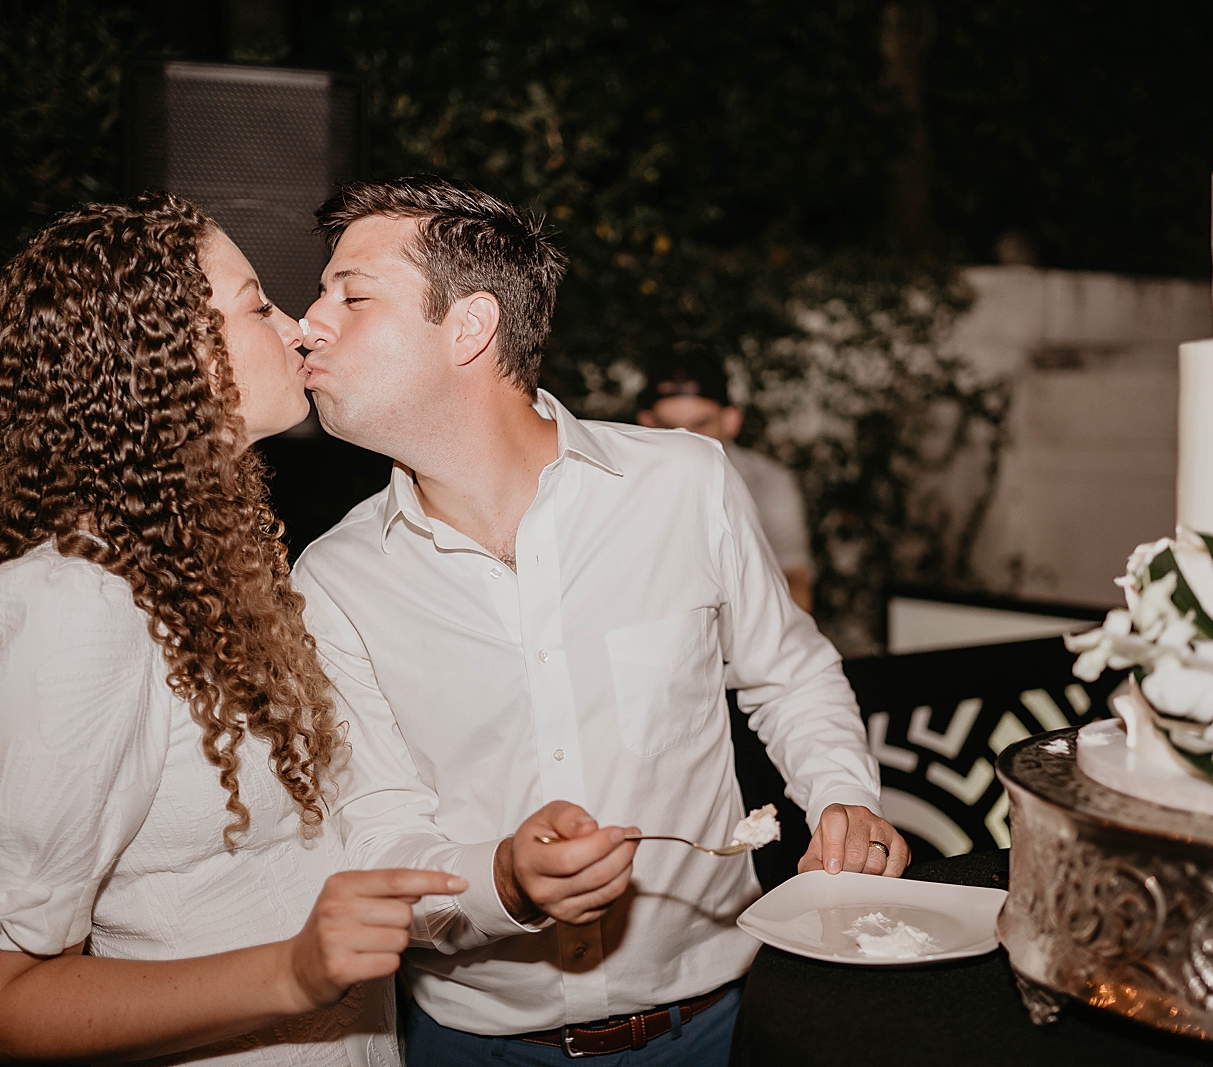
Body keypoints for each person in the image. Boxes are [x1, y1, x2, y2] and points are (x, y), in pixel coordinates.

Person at [292, 175, 909, 1067]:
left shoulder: (685, 483)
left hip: (720, 1028)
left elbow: (790, 671)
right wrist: (504, 879)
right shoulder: (335, 576)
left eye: (351, 296)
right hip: (473, 1047)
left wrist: (843, 793)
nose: (307, 324)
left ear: (469, 327)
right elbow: (378, 832)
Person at [0, 194, 464, 1065]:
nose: (297, 328)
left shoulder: (205, 571)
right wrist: (292, 972)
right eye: (256, 305)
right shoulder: (69, 605)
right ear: (169, 354)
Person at [636, 350, 815, 612]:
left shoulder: (767, 482)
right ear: (646, 423)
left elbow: (796, 585)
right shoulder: (624, 481)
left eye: (700, 425)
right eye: (668, 428)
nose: (685, 441)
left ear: (730, 421)